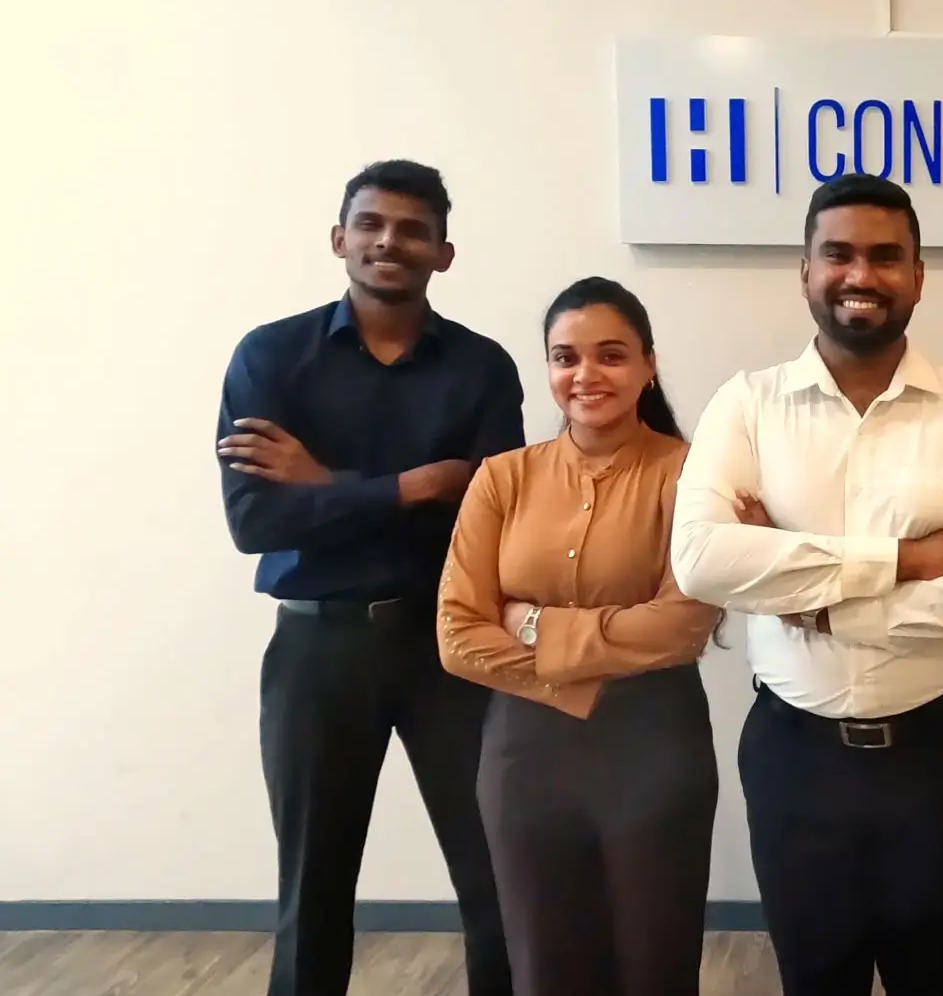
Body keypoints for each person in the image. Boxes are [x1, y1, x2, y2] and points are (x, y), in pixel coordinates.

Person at [670, 173, 943, 996]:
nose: (860, 275)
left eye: (885, 256)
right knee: (814, 981)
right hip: (795, 758)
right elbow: (701, 560)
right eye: (838, 254)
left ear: (918, 274)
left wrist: (815, 599)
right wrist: (905, 560)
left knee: (936, 981)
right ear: (805, 270)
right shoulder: (748, 404)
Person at [213, 159, 518, 996]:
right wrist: (411, 487)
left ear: (443, 254)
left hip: (448, 644)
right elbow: (256, 522)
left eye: (413, 230)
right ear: (339, 239)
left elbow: (491, 523)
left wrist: (324, 486)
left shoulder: (483, 368)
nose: (390, 241)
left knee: (497, 876)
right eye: (372, 224)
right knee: (312, 887)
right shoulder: (271, 357)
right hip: (320, 648)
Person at [436, 277, 723, 996]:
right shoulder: (502, 478)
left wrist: (533, 624)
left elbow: (685, 622)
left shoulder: (694, 474)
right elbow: (456, 633)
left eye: (611, 355)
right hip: (524, 758)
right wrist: (597, 660)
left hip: (655, 749)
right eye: (565, 357)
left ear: (649, 365)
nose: (586, 374)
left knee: (654, 963)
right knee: (543, 963)